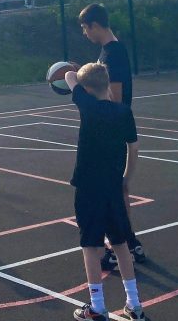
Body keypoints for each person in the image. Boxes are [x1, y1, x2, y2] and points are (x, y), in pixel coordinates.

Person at [64, 62, 149, 321]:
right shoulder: (124, 112)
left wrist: (77, 71)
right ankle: (134, 305)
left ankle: (97, 305)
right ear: (107, 85)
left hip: (89, 188)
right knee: (121, 243)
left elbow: (68, 76)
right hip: (113, 185)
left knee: (90, 245)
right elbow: (133, 149)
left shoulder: (87, 107)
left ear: (86, 90)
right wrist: (126, 178)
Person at [78, 3, 147, 267]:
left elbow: (114, 97)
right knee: (116, 194)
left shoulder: (113, 55)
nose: (85, 33)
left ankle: (121, 247)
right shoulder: (109, 53)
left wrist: (86, 98)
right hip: (111, 135)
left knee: (112, 194)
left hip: (110, 137)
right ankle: (130, 243)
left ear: (95, 25)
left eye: (85, 28)